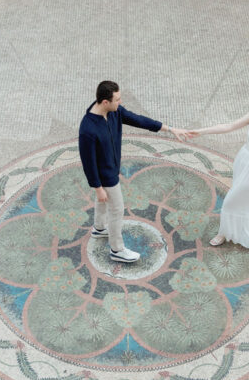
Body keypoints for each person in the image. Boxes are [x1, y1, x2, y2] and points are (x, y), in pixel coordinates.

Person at [79, 80, 189, 262]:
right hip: (105, 176)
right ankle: (117, 249)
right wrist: (97, 187)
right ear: (105, 102)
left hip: (112, 169)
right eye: (117, 100)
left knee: (104, 201)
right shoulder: (88, 130)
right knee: (116, 209)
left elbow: (139, 120)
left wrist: (170, 129)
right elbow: (88, 162)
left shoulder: (114, 112)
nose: (120, 103)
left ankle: (99, 228)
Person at [187, 94, 249, 249]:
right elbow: (228, 126)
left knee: (231, 200)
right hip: (243, 161)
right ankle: (233, 228)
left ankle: (223, 233)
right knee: (243, 198)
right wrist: (201, 131)